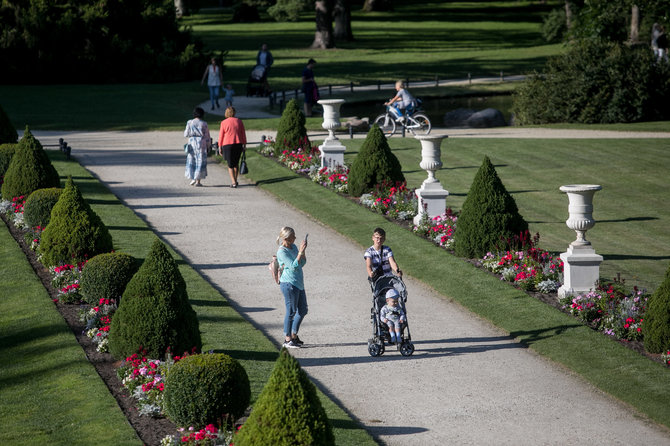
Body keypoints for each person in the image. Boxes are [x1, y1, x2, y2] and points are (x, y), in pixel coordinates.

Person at [276, 227, 308, 348]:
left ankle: (294, 335)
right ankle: (287, 339)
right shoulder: (281, 252)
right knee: (291, 311)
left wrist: (302, 251)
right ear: (286, 239)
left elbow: (302, 263)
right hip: (289, 284)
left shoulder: (294, 247)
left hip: (299, 283)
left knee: (303, 310)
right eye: (293, 236)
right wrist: (300, 251)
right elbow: (293, 266)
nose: (295, 238)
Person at [217, 106, 247, 188]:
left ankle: (233, 182)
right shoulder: (239, 121)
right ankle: (235, 180)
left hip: (227, 145)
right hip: (238, 144)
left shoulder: (223, 122)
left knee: (230, 164)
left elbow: (221, 136)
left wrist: (220, 146)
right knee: (236, 163)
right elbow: (243, 134)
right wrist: (244, 144)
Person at [184, 107, 211, 187]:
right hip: (201, 143)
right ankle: (198, 181)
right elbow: (207, 136)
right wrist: (208, 146)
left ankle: (193, 177)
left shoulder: (189, 122)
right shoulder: (204, 123)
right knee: (200, 161)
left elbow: (186, 134)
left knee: (192, 160)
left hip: (192, 143)